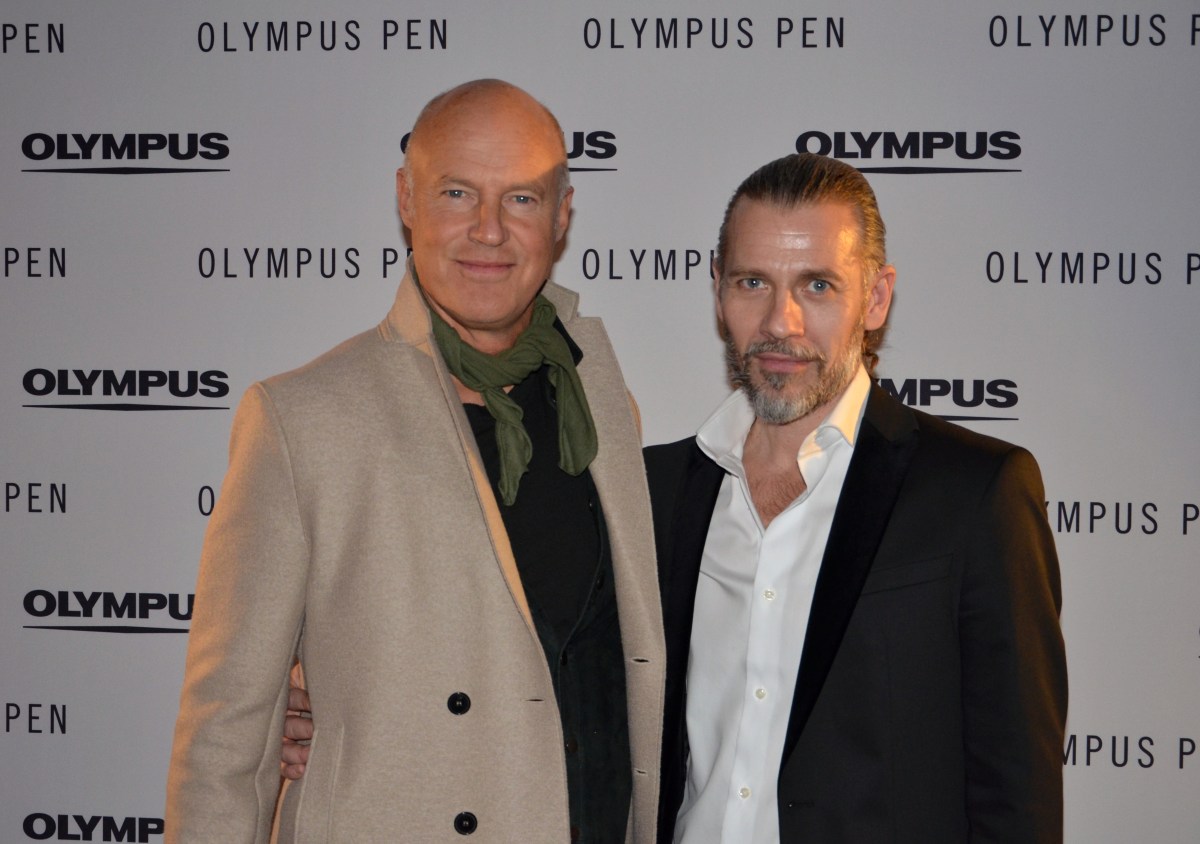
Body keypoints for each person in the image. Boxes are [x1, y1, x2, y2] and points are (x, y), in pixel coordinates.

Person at [166, 79, 664, 843]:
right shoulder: (302, 420)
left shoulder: (600, 403)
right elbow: (225, 738)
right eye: (457, 193)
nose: (489, 231)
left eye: (522, 199)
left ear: (562, 215)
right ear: (407, 199)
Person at [645, 153, 1067, 842]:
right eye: (753, 282)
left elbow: (1016, 794)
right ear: (718, 289)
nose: (780, 322)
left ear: (875, 298)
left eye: (817, 285)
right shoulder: (656, 492)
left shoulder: (975, 491)